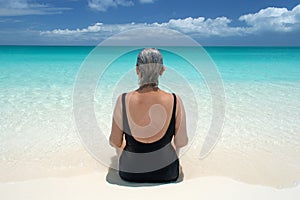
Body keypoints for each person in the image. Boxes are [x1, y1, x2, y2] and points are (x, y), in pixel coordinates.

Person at [109, 48, 188, 183]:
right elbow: (182, 142)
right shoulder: (175, 100)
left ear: (137, 69)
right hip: (167, 173)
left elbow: (114, 141)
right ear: (162, 70)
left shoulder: (123, 100)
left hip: (130, 173)